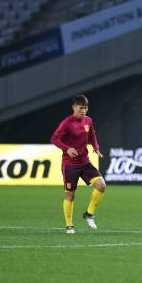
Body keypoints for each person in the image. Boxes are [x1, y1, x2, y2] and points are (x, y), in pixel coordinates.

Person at [51, 94, 106, 234]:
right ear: (74, 107)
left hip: (85, 162)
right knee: (70, 194)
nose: (84, 111)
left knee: (101, 185)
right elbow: (54, 139)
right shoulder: (67, 123)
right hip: (70, 164)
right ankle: (69, 225)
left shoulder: (88, 121)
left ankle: (89, 214)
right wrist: (67, 148)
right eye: (81, 108)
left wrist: (96, 147)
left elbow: (92, 135)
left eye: (86, 108)